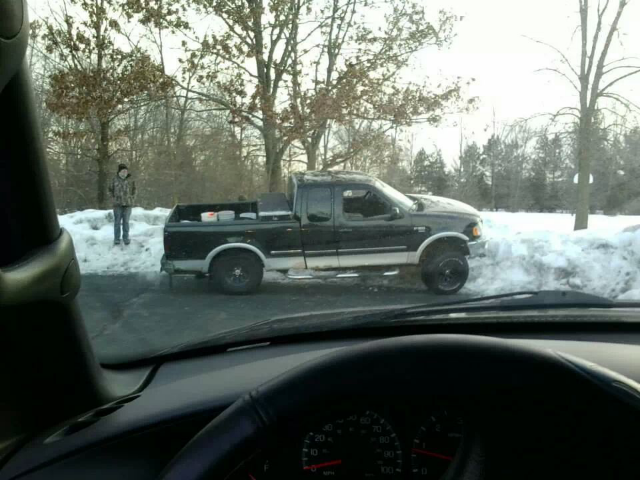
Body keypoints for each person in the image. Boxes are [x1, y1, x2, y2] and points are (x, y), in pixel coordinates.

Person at [108, 163, 136, 245]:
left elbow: (135, 190)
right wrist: (113, 198)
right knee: (117, 222)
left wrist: (132, 198)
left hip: (128, 204)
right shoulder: (114, 179)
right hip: (117, 205)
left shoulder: (130, 180)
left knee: (126, 222)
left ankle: (126, 238)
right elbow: (109, 190)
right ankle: (117, 239)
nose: (125, 172)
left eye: (126, 171)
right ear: (119, 172)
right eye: (123, 171)